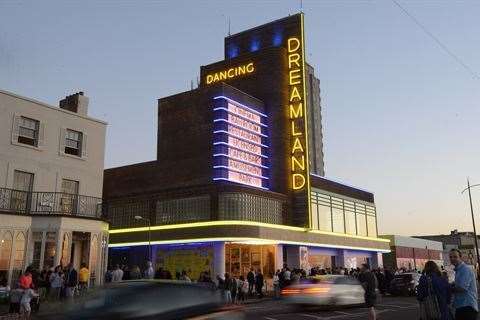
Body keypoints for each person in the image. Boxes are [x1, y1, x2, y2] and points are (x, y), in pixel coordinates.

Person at [449, 249, 478, 320]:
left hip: (467, 307)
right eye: (451, 257)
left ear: (460, 257)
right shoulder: (458, 270)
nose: (452, 259)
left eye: (455, 257)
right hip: (462, 306)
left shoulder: (465, 269)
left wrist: (448, 288)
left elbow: (462, 288)